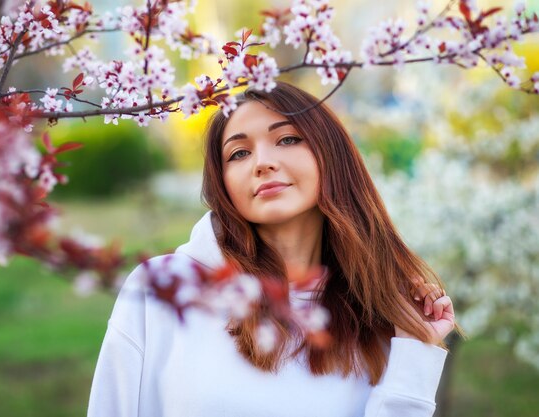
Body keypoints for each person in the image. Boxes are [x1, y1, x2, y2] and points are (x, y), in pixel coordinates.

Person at [87, 81, 457, 417]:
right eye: (239, 153)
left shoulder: (378, 318)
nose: (263, 162)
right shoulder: (164, 287)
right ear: (223, 185)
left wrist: (414, 347)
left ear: (332, 156)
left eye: (287, 139)